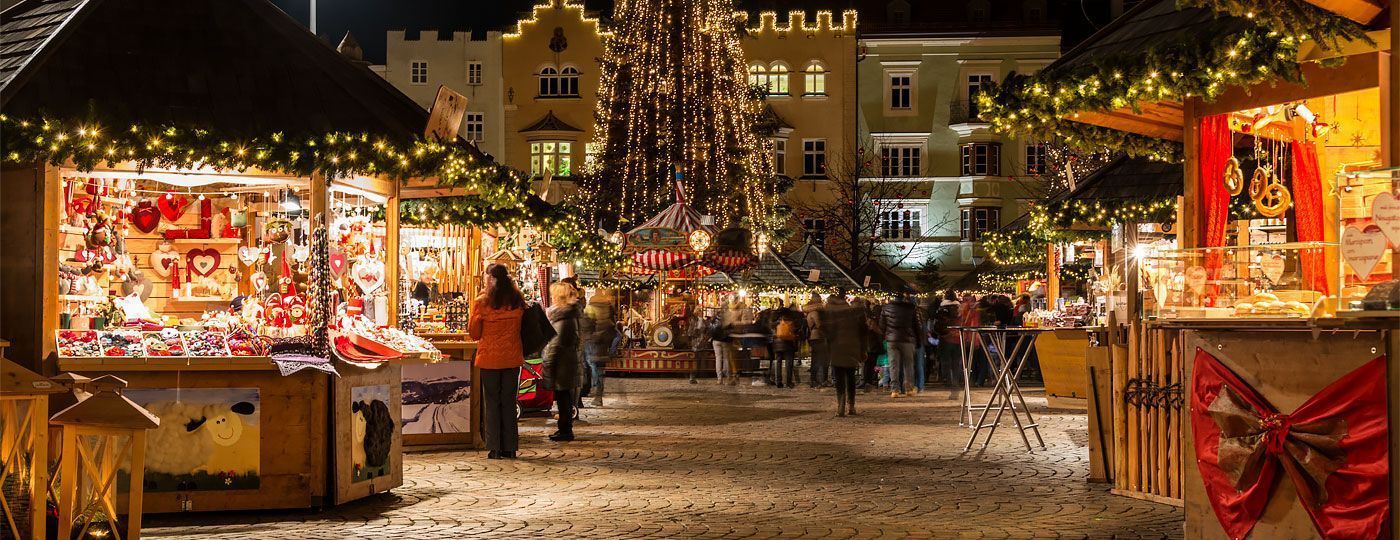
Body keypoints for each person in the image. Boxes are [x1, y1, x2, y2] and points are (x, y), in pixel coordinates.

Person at [469, 264, 526, 459]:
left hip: (489, 359)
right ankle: (510, 447)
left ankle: (494, 447)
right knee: (509, 402)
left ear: (491, 279)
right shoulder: (517, 300)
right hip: (512, 358)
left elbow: (474, 333)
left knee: (492, 403)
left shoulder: (482, 302)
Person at [542, 282, 581, 442]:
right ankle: (564, 428)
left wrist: (547, 362)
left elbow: (555, 345)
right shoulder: (567, 316)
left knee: (563, 397)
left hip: (562, 365)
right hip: (566, 363)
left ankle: (565, 430)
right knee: (563, 397)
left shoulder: (563, 318)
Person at [819, 291, 866, 417]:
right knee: (850, 377)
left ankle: (841, 405)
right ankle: (851, 405)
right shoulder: (853, 313)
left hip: (837, 348)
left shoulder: (831, 314)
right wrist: (862, 349)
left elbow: (825, 330)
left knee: (839, 377)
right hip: (852, 347)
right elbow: (863, 331)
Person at [580, 288, 617, 407]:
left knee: (590, 367)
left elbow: (585, 325)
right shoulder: (608, 309)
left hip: (591, 341)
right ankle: (598, 395)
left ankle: (591, 391)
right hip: (603, 343)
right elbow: (613, 327)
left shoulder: (590, 308)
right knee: (599, 369)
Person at [879, 292, 921, 398]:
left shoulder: (886, 308)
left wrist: (885, 337)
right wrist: (919, 341)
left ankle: (895, 390)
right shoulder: (911, 308)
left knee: (893, 365)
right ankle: (908, 389)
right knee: (908, 365)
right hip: (908, 339)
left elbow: (882, 325)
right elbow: (917, 326)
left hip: (892, 340)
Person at [769, 302, 804, 388]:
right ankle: (788, 382)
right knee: (789, 363)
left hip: (777, 343)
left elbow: (771, 328)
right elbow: (797, 329)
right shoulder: (791, 319)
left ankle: (778, 382)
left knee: (778, 362)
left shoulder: (775, 320)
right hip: (789, 343)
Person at [933, 291, 961, 386]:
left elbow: (937, 326)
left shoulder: (942, 310)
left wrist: (941, 333)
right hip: (958, 337)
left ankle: (948, 379)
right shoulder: (959, 309)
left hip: (945, 338)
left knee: (946, 360)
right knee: (956, 360)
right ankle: (956, 380)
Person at [802, 293, 828, 388]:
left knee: (815, 359)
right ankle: (814, 380)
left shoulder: (809, 313)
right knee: (818, 359)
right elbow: (819, 325)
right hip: (817, 337)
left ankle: (815, 379)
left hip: (813, 337)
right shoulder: (815, 313)